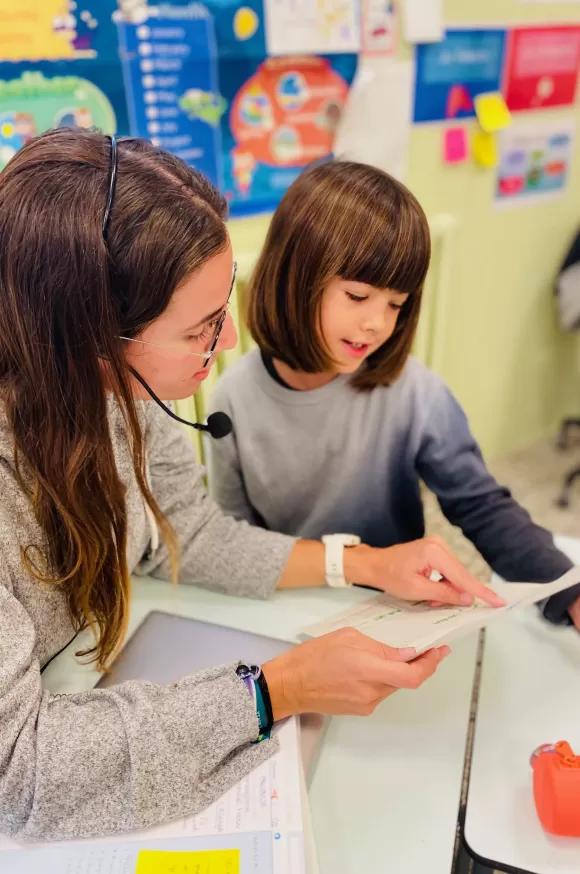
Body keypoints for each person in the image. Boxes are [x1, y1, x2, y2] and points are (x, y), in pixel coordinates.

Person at [0, 131, 503, 843]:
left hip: (88, 683)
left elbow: (189, 532)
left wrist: (362, 564)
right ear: (89, 336)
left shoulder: (125, 394)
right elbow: (20, 768)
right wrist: (274, 690)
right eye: (203, 328)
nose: (230, 340)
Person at [209, 160, 580, 628]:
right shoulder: (232, 399)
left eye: (397, 305)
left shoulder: (415, 392)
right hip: (290, 610)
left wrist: (567, 589)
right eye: (358, 297)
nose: (378, 324)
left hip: (396, 609)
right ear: (293, 278)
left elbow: (480, 504)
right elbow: (233, 538)